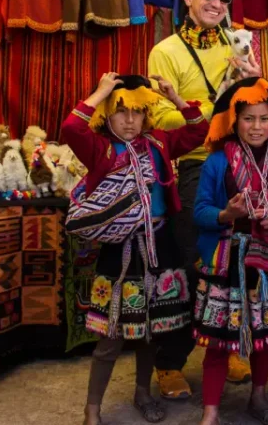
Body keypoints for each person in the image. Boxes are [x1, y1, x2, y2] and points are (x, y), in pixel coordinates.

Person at [62, 73, 209, 425]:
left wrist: (176, 98)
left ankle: (142, 393)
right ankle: (92, 409)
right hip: (121, 249)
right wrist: (99, 93)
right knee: (111, 337)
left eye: (137, 112)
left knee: (150, 331)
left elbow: (198, 132)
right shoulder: (99, 148)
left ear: (147, 115)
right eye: (121, 112)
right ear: (107, 116)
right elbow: (70, 129)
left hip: (159, 243)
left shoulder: (158, 143)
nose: (130, 121)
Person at [147, 0, 261, 398]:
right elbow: (160, 119)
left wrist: (251, 81)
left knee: (241, 261)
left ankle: (230, 345)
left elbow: (257, 113)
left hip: (239, 163)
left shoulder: (237, 47)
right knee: (194, 261)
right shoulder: (166, 52)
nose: (217, 4)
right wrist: (214, 108)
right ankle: (169, 362)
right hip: (194, 165)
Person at [193, 77, 268, 425]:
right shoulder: (216, 163)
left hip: (267, 261)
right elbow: (199, 211)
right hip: (225, 260)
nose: (256, 127)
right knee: (217, 340)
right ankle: (210, 412)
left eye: (264, 119)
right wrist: (226, 215)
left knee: (264, 335)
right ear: (234, 121)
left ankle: (258, 397)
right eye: (248, 119)